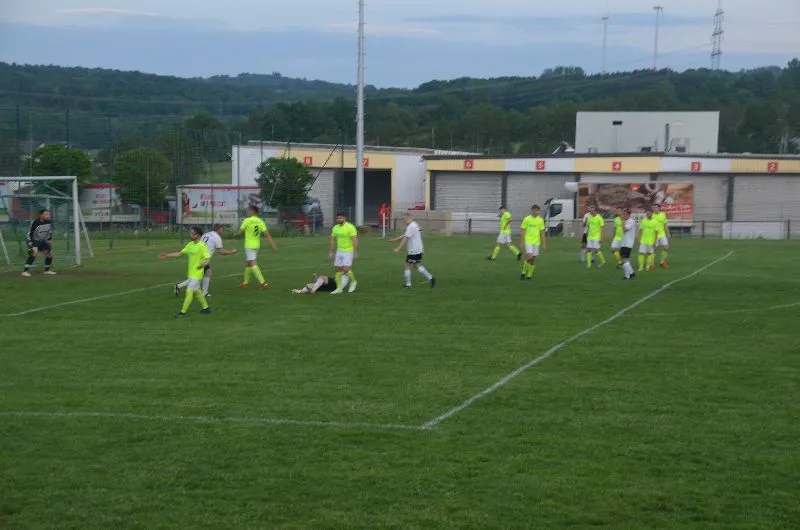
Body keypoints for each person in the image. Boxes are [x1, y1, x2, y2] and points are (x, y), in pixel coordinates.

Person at [160, 226, 212, 318]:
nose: (191, 235)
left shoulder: (202, 246)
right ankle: (206, 308)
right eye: (191, 233)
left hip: (197, 274)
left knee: (189, 291)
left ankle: (183, 312)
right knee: (198, 292)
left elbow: (207, 259)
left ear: (198, 235)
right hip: (191, 274)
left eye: (193, 234)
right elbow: (180, 253)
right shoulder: (190, 245)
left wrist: (202, 265)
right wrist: (167, 255)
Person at [174, 224, 237, 298]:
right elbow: (221, 251)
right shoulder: (217, 237)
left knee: (207, 273)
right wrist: (231, 252)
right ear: (219, 229)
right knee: (196, 278)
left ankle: (204, 292)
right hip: (203, 259)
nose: (223, 231)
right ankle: (179, 286)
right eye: (222, 229)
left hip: (199, 256)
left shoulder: (207, 234)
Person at [389, 212, 436, 289]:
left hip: (413, 250)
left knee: (407, 265)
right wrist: (395, 239)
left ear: (408, 218)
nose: (403, 221)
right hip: (418, 249)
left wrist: (398, 248)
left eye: (404, 219)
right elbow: (406, 235)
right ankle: (431, 278)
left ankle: (408, 285)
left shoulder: (410, 226)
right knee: (416, 265)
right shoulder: (414, 224)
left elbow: (405, 238)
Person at [236, 206, 277, 289]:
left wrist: (236, 234)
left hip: (249, 245)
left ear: (252, 212)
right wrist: (273, 245)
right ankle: (245, 283)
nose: (248, 212)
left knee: (253, 263)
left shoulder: (247, 220)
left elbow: (240, 232)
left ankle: (263, 283)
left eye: (249, 211)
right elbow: (267, 234)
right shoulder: (260, 221)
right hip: (256, 245)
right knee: (249, 263)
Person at [329, 212, 359, 294]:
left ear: (345, 218)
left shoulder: (350, 227)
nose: (339, 219)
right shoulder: (335, 228)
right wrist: (331, 251)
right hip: (339, 251)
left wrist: (355, 252)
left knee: (346, 269)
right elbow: (332, 240)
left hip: (348, 251)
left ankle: (353, 282)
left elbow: (355, 240)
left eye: (340, 218)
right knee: (338, 269)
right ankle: (339, 288)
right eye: (337, 218)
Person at [22, 209, 56, 277]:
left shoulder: (49, 222)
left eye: (49, 214)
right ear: (41, 215)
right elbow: (30, 233)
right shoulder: (35, 222)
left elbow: (49, 231)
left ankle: (46, 271)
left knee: (50, 255)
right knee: (34, 252)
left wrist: (49, 239)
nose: (48, 216)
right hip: (33, 239)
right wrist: (30, 241)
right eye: (46, 214)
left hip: (42, 240)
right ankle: (25, 272)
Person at [519, 204, 547, 280]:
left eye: (538, 211)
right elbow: (522, 231)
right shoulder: (527, 219)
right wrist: (522, 242)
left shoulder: (540, 220)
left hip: (536, 242)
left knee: (533, 259)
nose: (538, 212)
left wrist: (544, 243)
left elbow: (542, 232)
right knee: (530, 257)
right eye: (536, 210)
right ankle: (524, 272)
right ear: (532, 210)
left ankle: (529, 274)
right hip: (528, 241)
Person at [619, 208, 637, 280]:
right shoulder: (626, 221)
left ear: (629, 214)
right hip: (624, 242)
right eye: (623, 213)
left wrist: (622, 222)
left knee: (624, 259)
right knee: (623, 258)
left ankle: (627, 276)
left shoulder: (631, 221)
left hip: (628, 243)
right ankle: (631, 273)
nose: (623, 215)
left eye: (625, 214)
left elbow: (624, 230)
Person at [652, 203, 670, 268]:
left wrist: (668, 233)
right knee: (653, 249)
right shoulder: (651, 215)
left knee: (666, 247)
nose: (654, 209)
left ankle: (662, 262)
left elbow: (665, 225)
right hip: (654, 235)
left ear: (659, 208)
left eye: (655, 207)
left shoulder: (663, 215)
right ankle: (651, 263)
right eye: (653, 208)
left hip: (662, 234)